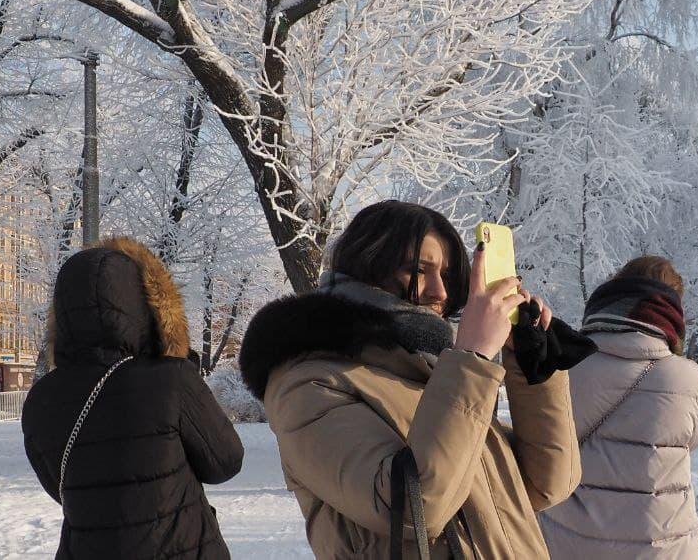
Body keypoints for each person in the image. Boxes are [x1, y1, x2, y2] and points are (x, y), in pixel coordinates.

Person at [239, 200, 580, 559]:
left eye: (447, 275)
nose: (440, 292)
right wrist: (473, 358)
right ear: (368, 266)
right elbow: (414, 506)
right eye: (418, 270)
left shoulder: (435, 375)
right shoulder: (307, 384)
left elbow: (546, 485)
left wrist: (532, 368)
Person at [22, 237, 244, 559]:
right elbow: (225, 463)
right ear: (144, 306)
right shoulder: (170, 379)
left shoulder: (40, 401)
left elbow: (66, 492)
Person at [538, 255, 698, 560]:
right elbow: (696, 436)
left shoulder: (564, 366)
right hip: (663, 547)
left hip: (568, 542)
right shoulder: (690, 379)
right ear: (672, 311)